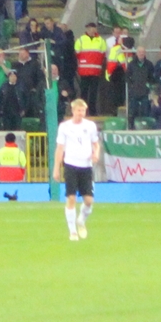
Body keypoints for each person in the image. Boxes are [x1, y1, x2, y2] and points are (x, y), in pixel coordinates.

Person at [51, 97, 104, 240]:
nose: (81, 113)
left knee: (89, 201)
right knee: (71, 198)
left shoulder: (90, 126)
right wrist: (56, 168)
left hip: (86, 166)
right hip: (71, 165)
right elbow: (60, 148)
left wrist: (96, 153)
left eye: (83, 111)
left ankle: (81, 220)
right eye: (79, 110)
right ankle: (72, 231)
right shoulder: (64, 127)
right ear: (73, 110)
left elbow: (96, 144)